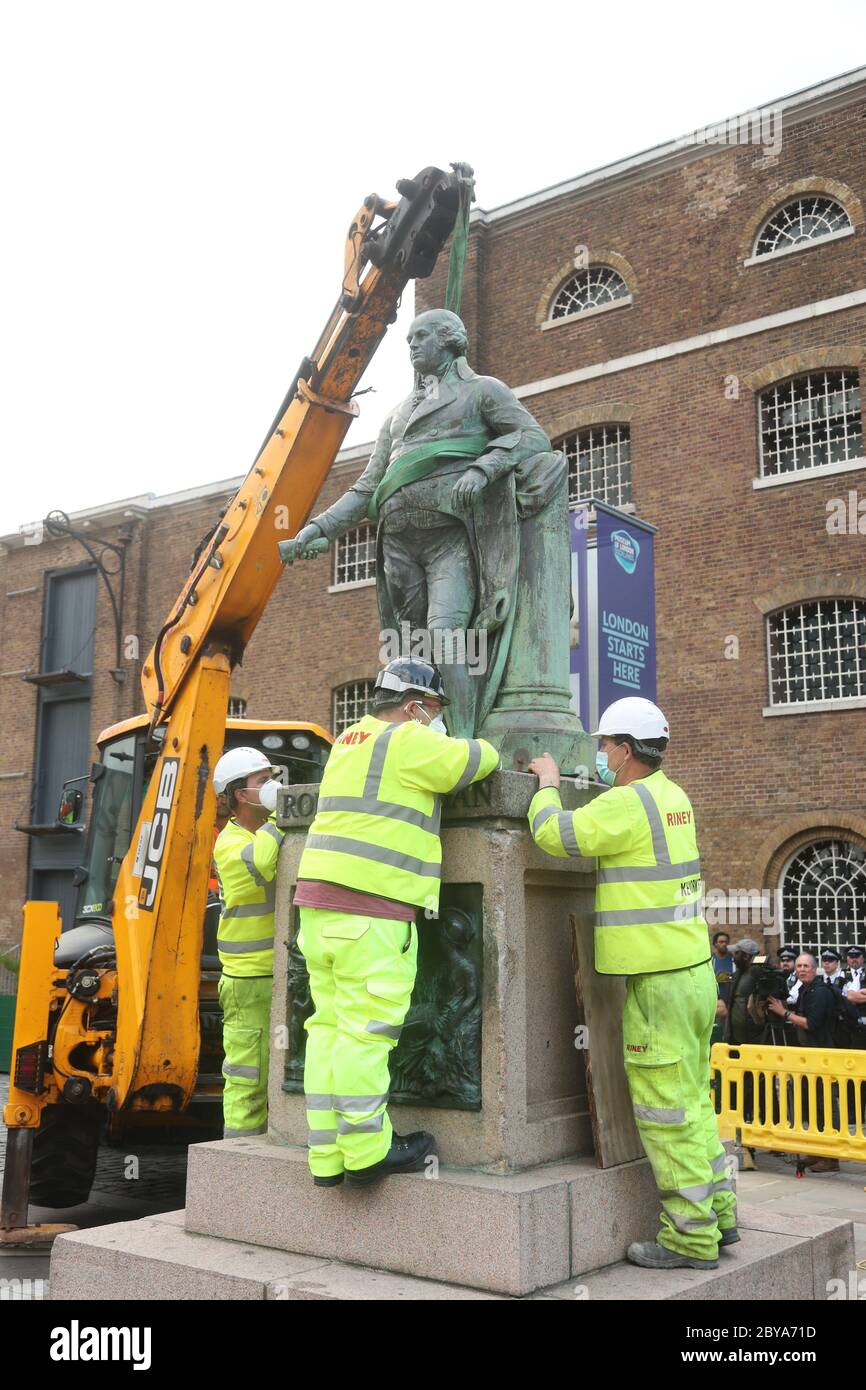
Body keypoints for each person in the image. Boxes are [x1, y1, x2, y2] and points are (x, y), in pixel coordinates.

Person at [527, 696, 737, 1272]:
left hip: (658, 985)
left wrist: (546, 783)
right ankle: (720, 1214)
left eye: (603, 745)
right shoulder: (674, 797)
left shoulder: (625, 804)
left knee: (665, 1112)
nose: (599, 754)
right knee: (693, 1101)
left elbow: (555, 835)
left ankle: (690, 1239)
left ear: (623, 750)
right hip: (693, 975)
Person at [295, 658, 499, 1188]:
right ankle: (366, 1153)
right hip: (371, 910)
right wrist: (467, 740)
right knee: (367, 1033)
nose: (435, 720)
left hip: (318, 909)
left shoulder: (348, 742)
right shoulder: (408, 740)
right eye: (433, 711)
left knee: (327, 1029)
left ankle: (327, 1155)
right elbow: (475, 760)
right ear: (414, 707)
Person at [212, 748, 286, 1139]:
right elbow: (262, 863)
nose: (273, 786)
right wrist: (283, 814)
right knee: (247, 1075)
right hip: (248, 979)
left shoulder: (266, 833)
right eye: (262, 781)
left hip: (275, 971)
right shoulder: (230, 842)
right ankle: (238, 1156)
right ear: (240, 794)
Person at [767, 953, 839, 1172]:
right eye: (799, 966)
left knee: (827, 1106)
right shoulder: (805, 990)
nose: (802, 969)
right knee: (815, 1106)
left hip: (824, 1056)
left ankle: (831, 1158)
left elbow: (811, 1023)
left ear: (814, 969)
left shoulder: (820, 993)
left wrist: (783, 1012)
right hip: (810, 1057)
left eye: (806, 966)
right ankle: (818, 1151)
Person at [710, 932, 733, 1043]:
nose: (724, 944)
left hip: (731, 1000)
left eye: (726, 942)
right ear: (715, 944)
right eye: (721, 942)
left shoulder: (733, 960)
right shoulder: (711, 960)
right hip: (716, 1001)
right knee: (717, 1031)